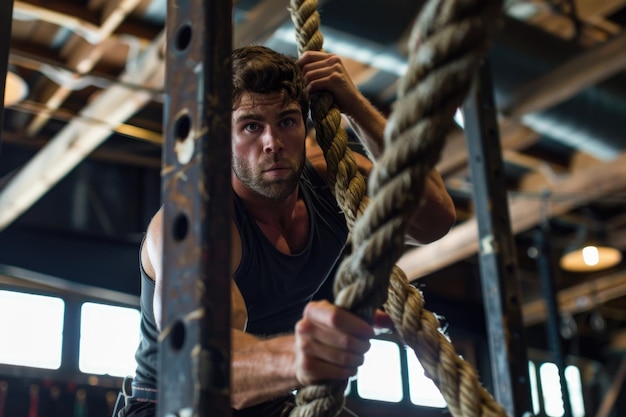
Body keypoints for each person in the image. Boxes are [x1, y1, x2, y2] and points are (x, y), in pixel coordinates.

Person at [118, 45, 456, 417]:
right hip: (174, 404)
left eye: (287, 121)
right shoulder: (192, 222)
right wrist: (298, 356)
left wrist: (355, 106)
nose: (272, 143)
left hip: (270, 399)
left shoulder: (333, 181)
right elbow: (204, 364)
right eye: (251, 126)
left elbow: (434, 218)